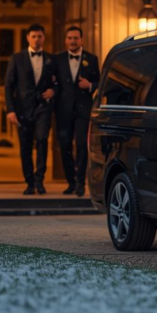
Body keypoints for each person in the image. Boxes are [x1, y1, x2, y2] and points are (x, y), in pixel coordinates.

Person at [5, 24, 57, 195]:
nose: (36, 39)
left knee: (42, 141)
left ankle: (39, 180)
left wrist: (53, 91)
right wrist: (10, 110)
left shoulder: (50, 59)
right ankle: (29, 182)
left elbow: (58, 83)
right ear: (28, 38)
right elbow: (9, 86)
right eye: (33, 36)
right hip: (22, 109)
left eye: (39, 36)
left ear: (44, 38)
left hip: (43, 108)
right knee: (25, 147)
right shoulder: (17, 58)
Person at [53, 26, 100, 196]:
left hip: (83, 110)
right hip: (63, 110)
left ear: (82, 40)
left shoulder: (92, 59)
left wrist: (90, 86)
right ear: (66, 40)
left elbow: (99, 83)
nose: (73, 41)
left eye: (76, 38)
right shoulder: (57, 59)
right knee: (65, 146)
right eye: (70, 38)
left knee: (81, 145)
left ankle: (81, 182)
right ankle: (70, 182)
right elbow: (53, 82)